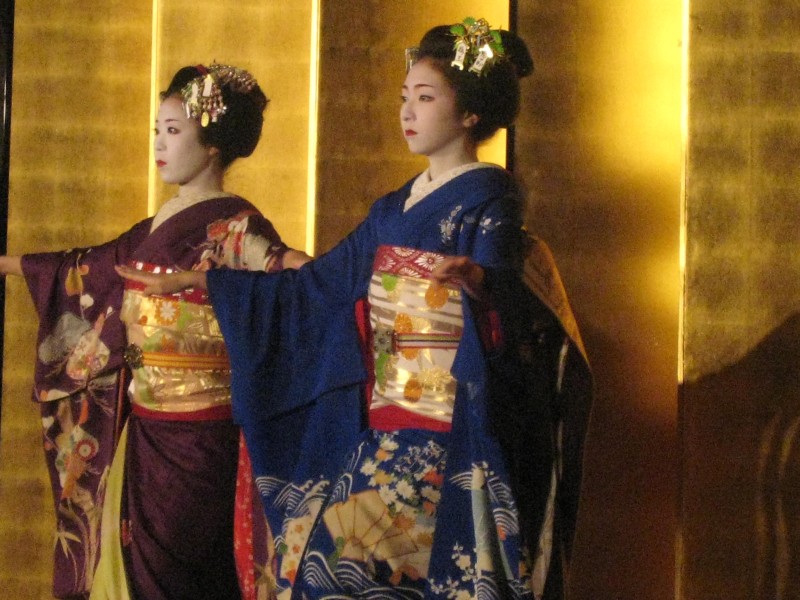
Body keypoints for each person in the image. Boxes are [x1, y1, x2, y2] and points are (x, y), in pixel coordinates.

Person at [119, 18, 592, 599]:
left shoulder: (489, 200)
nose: (407, 111)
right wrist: (207, 281)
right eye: (404, 97)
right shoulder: (391, 210)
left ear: (470, 112)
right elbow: (318, 286)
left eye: (425, 98)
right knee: (329, 576)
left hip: (452, 429)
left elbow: (513, 298)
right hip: (387, 427)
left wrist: (480, 282)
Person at [0, 63, 309, 599]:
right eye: (156, 131)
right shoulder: (159, 225)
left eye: (173, 130)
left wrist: (216, 280)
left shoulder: (236, 226)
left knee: (183, 575)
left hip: (202, 435)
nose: (159, 144)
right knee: (139, 570)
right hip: (145, 429)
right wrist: (7, 265)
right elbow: (86, 269)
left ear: (211, 144)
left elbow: (293, 272)